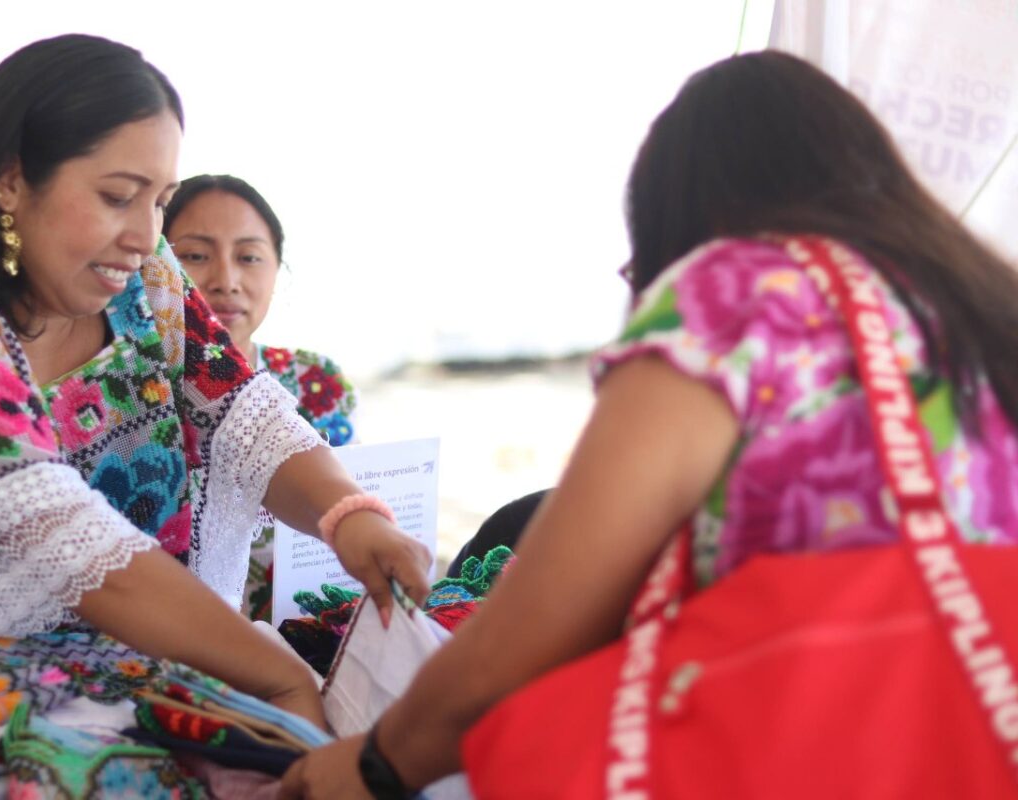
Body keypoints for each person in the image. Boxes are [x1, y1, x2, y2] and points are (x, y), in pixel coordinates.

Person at [280, 49, 1018, 797]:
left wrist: (375, 762)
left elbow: (533, 629)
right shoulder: (979, 308)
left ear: (682, 210)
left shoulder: (734, 293)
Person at [0, 34, 430, 729]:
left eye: (160, 201)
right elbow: (78, 547)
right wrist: (281, 681)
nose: (146, 235)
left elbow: (246, 414)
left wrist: (350, 515)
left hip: (127, 683)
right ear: (10, 179)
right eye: (118, 197)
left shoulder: (145, 284)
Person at [163, 175, 359, 619]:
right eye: (195, 256)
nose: (226, 281)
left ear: (277, 271)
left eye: (249, 257)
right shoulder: (130, 393)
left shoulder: (317, 382)